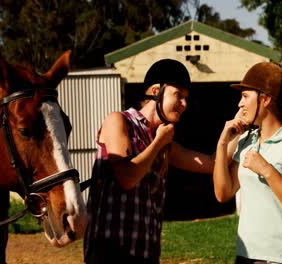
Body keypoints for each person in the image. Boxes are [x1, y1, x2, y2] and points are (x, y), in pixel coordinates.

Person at [84, 59, 215, 264]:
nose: (184, 104)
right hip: (110, 251)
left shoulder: (164, 143)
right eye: (178, 95)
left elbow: (212, 164)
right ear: (156, 91)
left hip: (145, 253)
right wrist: (158, 143)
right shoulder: (119, 121)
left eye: (186, 98)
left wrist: (231, 133)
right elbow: (127, 177)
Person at [213, 62, 282, 264]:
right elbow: (223, 193)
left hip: (280, 259)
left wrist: (267, 170)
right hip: (245, 256)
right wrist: (223, 142)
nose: (239, 104)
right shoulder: (247, 140)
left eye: (245, 96)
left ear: (265, 99)